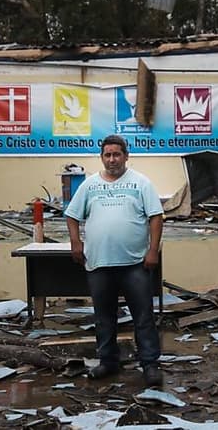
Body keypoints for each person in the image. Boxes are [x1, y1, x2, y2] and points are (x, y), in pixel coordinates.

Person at [65, 134, 164, 387]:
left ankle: (150, 364)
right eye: (107, 155)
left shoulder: (140, 183)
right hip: (99, 263)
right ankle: (108, 362)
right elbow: (72, 215)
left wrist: (153, 250)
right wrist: (75, 243)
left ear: (126, 156)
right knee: (103, 316)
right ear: (102, 157)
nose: (112, 159)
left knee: (143, 316)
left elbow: (155, 217)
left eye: (116, 154)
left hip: (135, 264)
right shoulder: (89, 185)